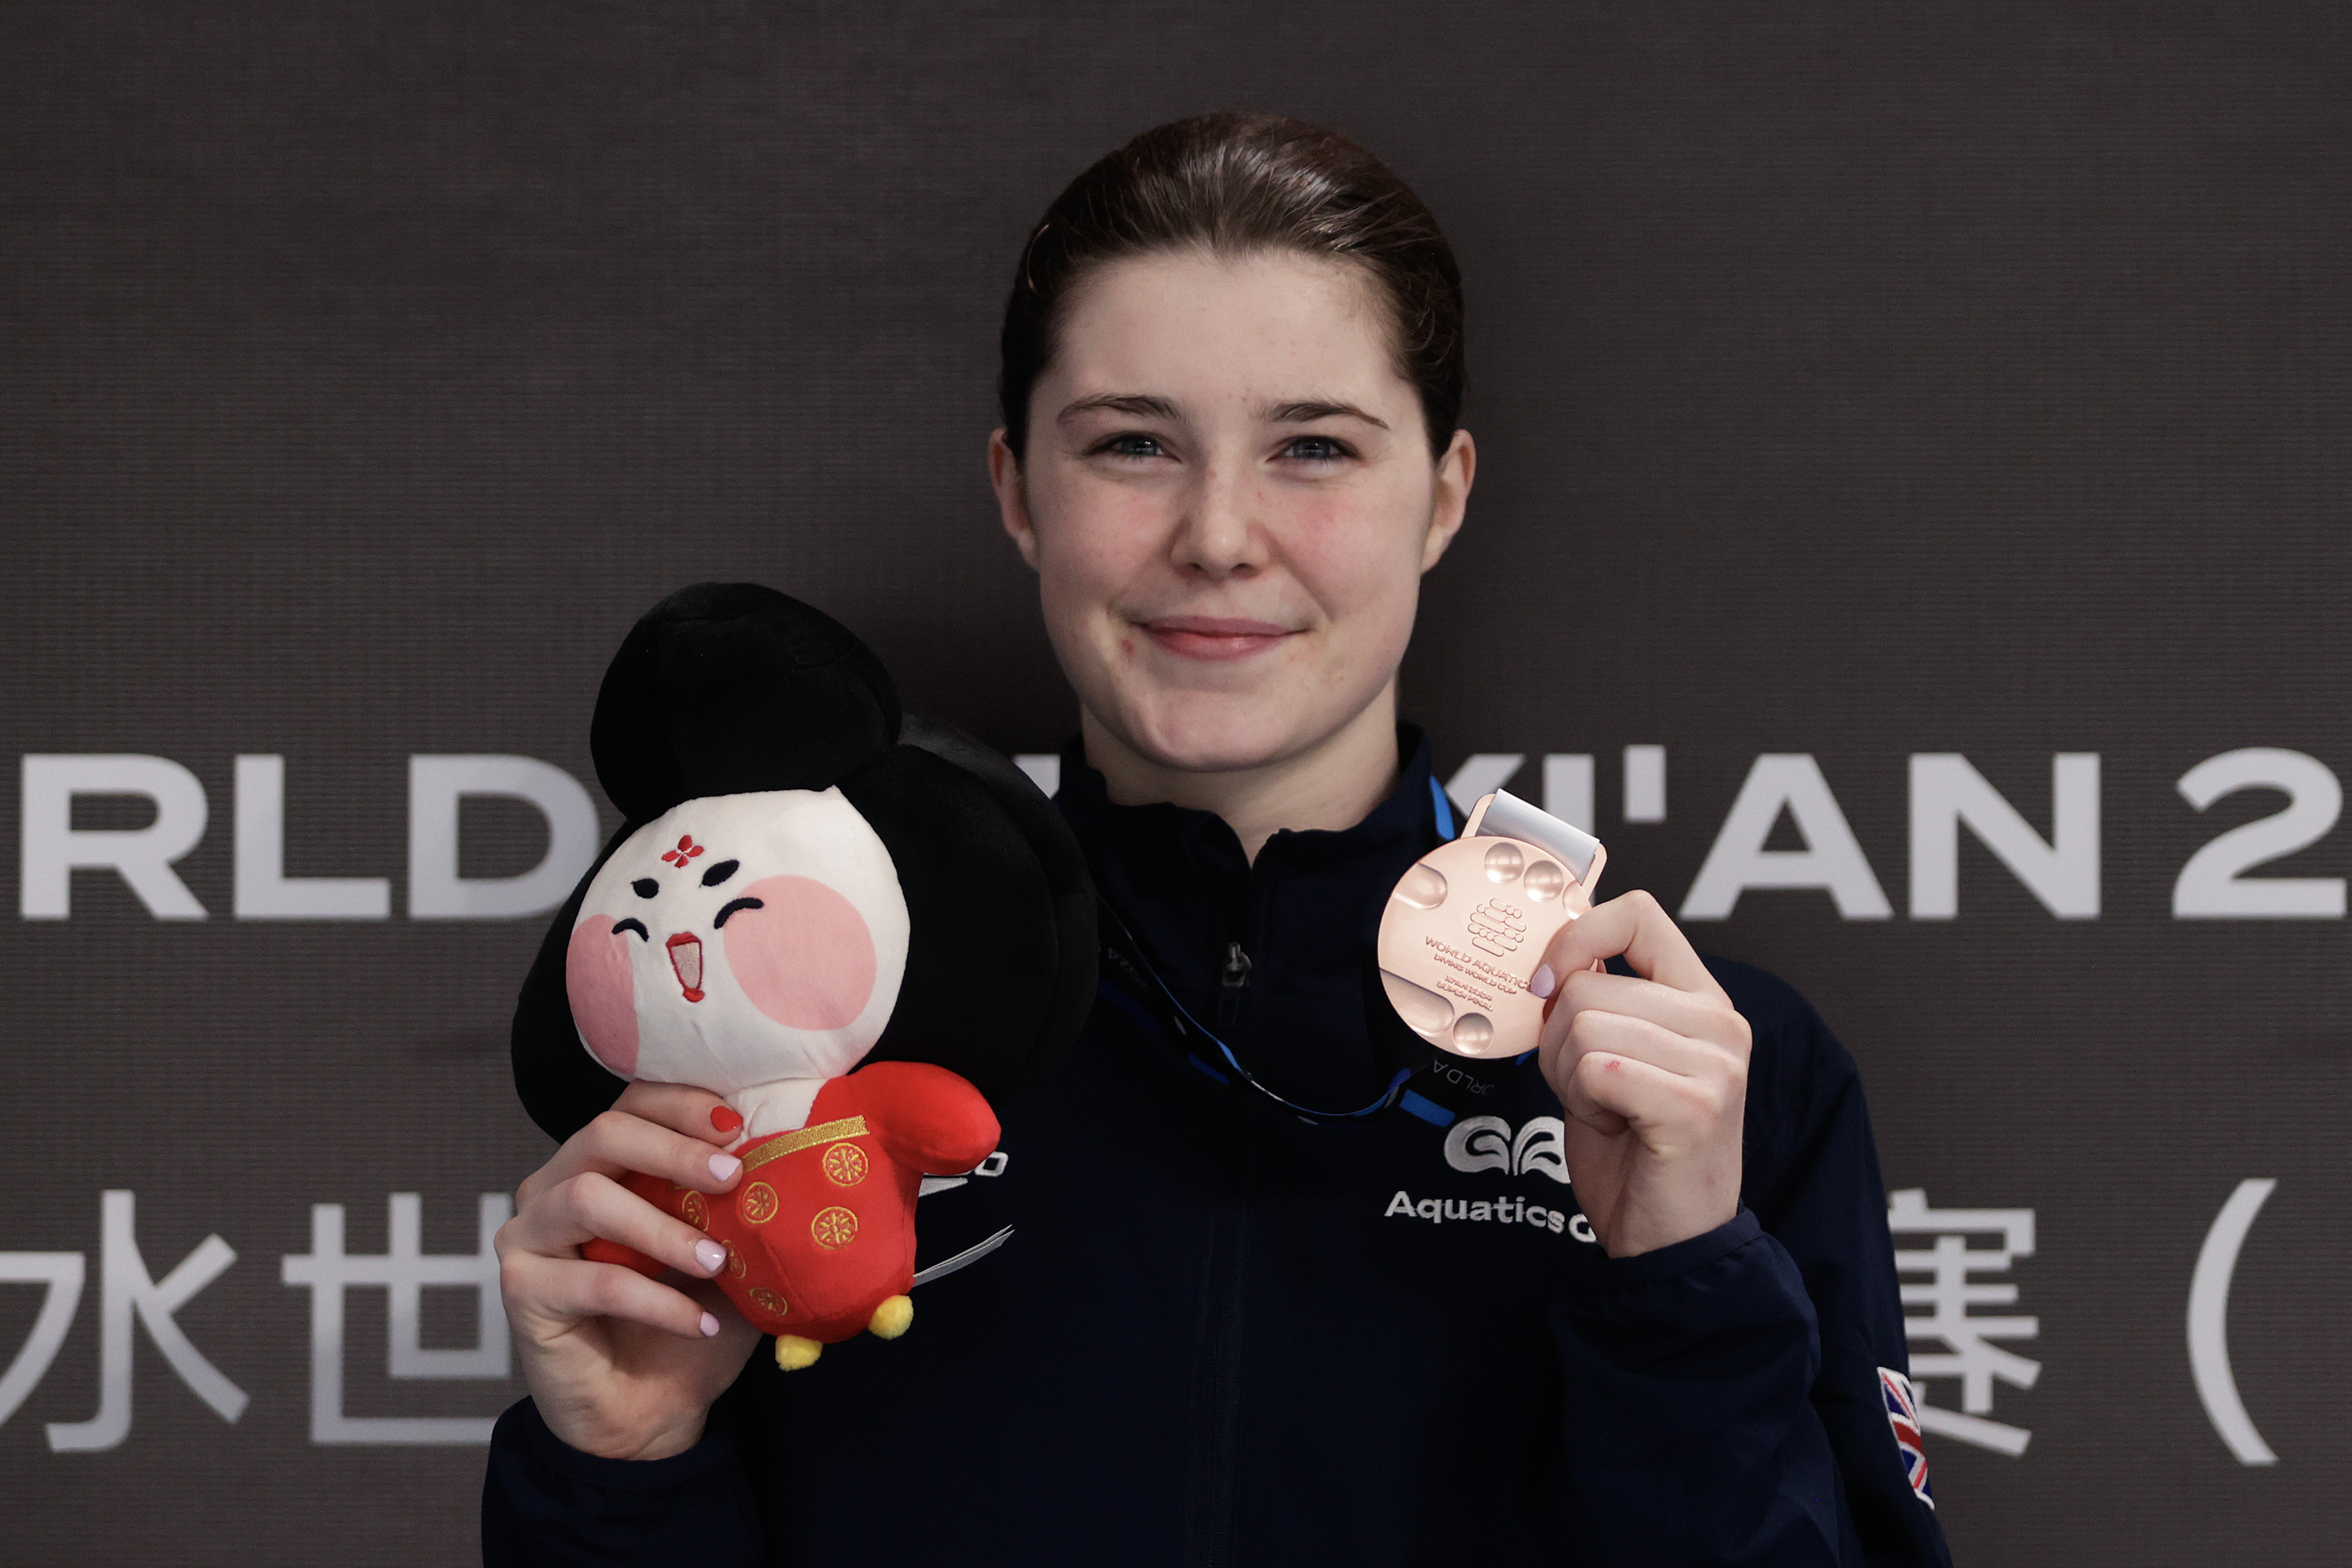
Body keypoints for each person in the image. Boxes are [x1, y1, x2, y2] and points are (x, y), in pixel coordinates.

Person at [484, 112, 1952, 1566]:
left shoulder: (1701, 1078)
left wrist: (1686, 1290)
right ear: (1016, 491)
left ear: (1441, 497)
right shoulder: (787, 1032)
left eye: (1314, 446)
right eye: (1134, 444)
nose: (1221, 536)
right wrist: (617, 1475)